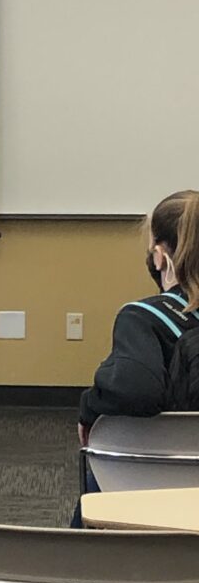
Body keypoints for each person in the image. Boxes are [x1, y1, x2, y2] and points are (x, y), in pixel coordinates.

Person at [72, 190, 199, 526]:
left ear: (160, 256)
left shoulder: (142, 318)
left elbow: (133, 389)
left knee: (106, 461)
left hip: (155, 492)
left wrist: (89, 409)